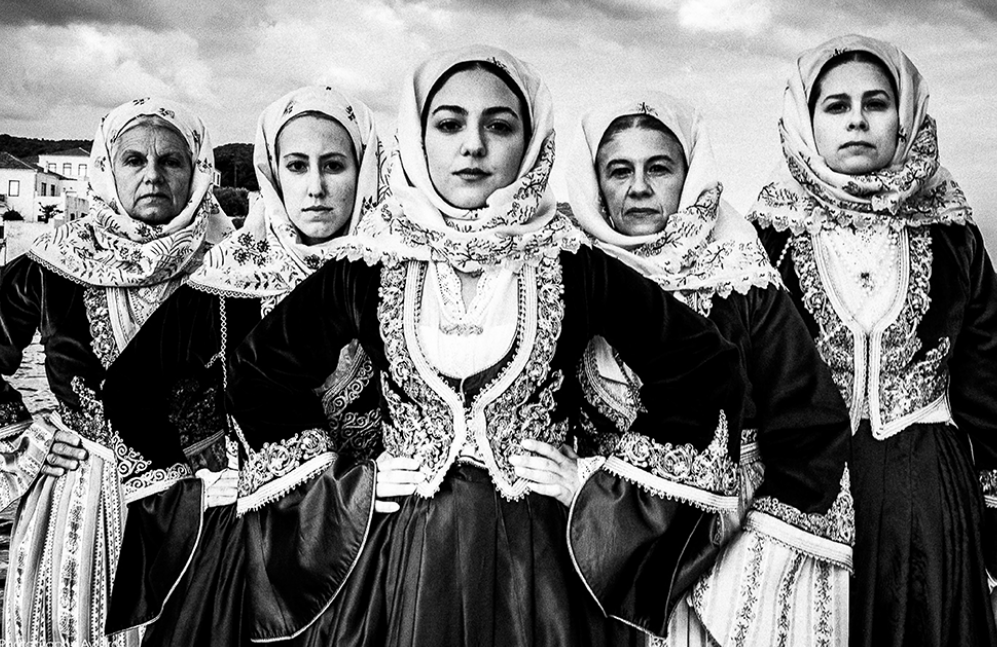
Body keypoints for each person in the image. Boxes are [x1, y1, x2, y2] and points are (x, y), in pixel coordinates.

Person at [226, 45, 746, 647]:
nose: (472, 146)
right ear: (419, 140)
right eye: (449, 125)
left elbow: (703, 365)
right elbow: (259, 373)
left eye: (498, 126)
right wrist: (350, 485)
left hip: (541, 557)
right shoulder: (369, 262)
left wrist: (599, 483)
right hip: (404, 554)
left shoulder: (572, 262)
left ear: (530, 141)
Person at [748, 34, 997, 647]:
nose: (857, 119)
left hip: (928, 511)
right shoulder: (763, 240)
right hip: (793, 513)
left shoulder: (952, 239)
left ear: (907, 115)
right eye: (835, 106)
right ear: (805, 122)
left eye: (877, 102)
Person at [0, 98, 233, 646]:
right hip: (88, 502)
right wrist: (27, 439)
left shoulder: (234, 265)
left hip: (210, 499)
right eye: (134, 160)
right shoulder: (58, 265)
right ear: (107, 170)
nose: (153, 175)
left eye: (172, 161)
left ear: (198, 170)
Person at [102, 86, 387, 646]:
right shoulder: (232, 278)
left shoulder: (394, 267)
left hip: (377, 527)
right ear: (273, 173)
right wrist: (203, 459)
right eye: (297, 166)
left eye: (335, 165)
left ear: (365, 169)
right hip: (258, 533)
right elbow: (129, 391)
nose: (316, 188)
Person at [566, 92, 853, 647]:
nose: (639, 188)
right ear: (594, 181)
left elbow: (809, 427)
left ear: (689, 172)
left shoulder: (741, 277)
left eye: (659, 168)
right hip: (585, 548)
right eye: (618, 170)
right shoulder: (569, 269)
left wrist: (743, 570)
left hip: (717, 555)